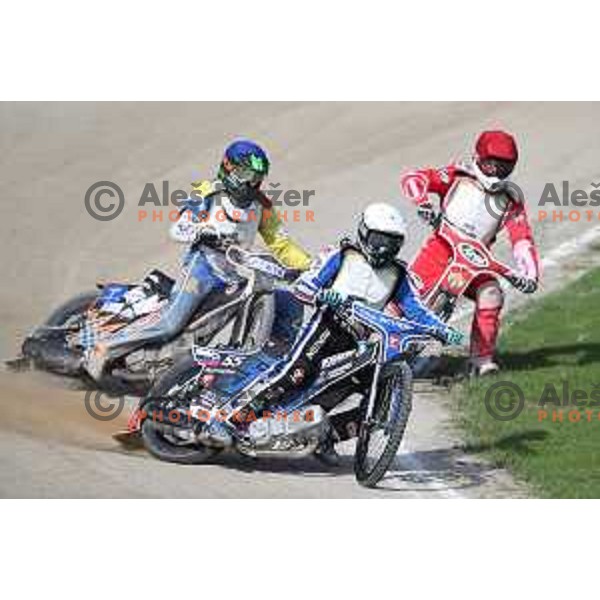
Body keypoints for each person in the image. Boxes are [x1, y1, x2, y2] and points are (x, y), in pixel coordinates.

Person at [225, 203, 463, 464]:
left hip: (356, 343)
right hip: (327, 327)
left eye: (391, 243)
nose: (383, 248)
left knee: (371, 391)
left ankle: (327, 436)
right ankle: (236, 418)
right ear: (363, 231)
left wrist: (443, 329)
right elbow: (306, 283)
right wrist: (322, 293)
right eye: (378, 239)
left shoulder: (398, 275)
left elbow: (416, 311)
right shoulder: (342, 255)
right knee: (296, 372)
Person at [84, 140, 312, 381]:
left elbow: (282, 245)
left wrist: (311, 266)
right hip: (202, 268)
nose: (250, 183)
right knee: (170, 323)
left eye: (256, 177)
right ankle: (104, 348)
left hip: (233, 276)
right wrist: (201, 230)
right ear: (229, 168)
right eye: (246, 174)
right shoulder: (207, 191)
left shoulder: (263, 206)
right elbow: (178, 228)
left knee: (217, 325)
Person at [401, 130, 540, 376]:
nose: (496, 172)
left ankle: (481, 361)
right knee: (403, 301)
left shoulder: (511, 199)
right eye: (491, 164)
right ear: (478, 157)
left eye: (504, 167)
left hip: (476, 263)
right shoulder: (457, 175)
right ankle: (371, 343)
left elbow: (521, 238)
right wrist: (422, 202)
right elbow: (415, 177)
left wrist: (530, 274)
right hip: (438, 251)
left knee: (492, 293)